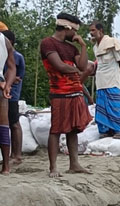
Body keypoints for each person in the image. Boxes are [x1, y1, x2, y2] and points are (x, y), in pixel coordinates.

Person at [40, 13, 92, 178]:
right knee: (56, 129)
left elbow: (83, 66)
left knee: (73, 130)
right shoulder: (48, 43)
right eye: (75, 31)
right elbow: (59, 66)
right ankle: (53, 167)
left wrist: (83, 46)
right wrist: (75, 70)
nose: (76, 35)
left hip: (75, 92)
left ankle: (74, 164)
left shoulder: (72, 48)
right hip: (59, 92)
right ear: (67, 28)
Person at [89, 21, 120, 138]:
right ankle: (105, 131)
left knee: (113, 104)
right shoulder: (95, 47)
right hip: (100, 80)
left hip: (112, 78)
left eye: (93, 30)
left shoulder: (112, 42)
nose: (91, 33)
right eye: (90, 31)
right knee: (101, 106)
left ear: (100, 31)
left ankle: (118, 130)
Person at [2, 30, 24, 166]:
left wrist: (5, 79)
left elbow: (15, 78)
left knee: (14, 123)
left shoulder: (16, 57)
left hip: (12, 95)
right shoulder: (4, 56)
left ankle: (17, 154)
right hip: (4, 92)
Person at [0, 25, 16, 175]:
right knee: (3, 125)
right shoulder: (4, 41)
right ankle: (5, 167)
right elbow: (11, 68)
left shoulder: (4, 41)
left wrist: (7, 85)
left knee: (3, 124)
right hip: (1, 83)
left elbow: (11, 68)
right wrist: (7, 84)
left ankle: (6, 166)